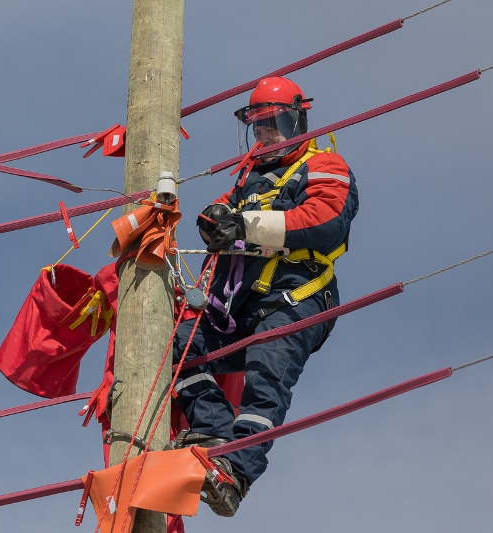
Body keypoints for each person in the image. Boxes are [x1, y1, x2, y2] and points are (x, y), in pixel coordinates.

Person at [170, 76, 359, 517]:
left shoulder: (324, 163)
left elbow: (327, 219)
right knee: (179, 344)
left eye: (274, 123)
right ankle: (213, 430)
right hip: (239, 306)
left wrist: (246, 227)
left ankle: (236, 471)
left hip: (296, 294)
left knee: (266, 374)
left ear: (299, 120)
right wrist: (213, 222)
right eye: (258, 127)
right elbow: (214, 216)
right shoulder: (248, 179)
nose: (266, 135)